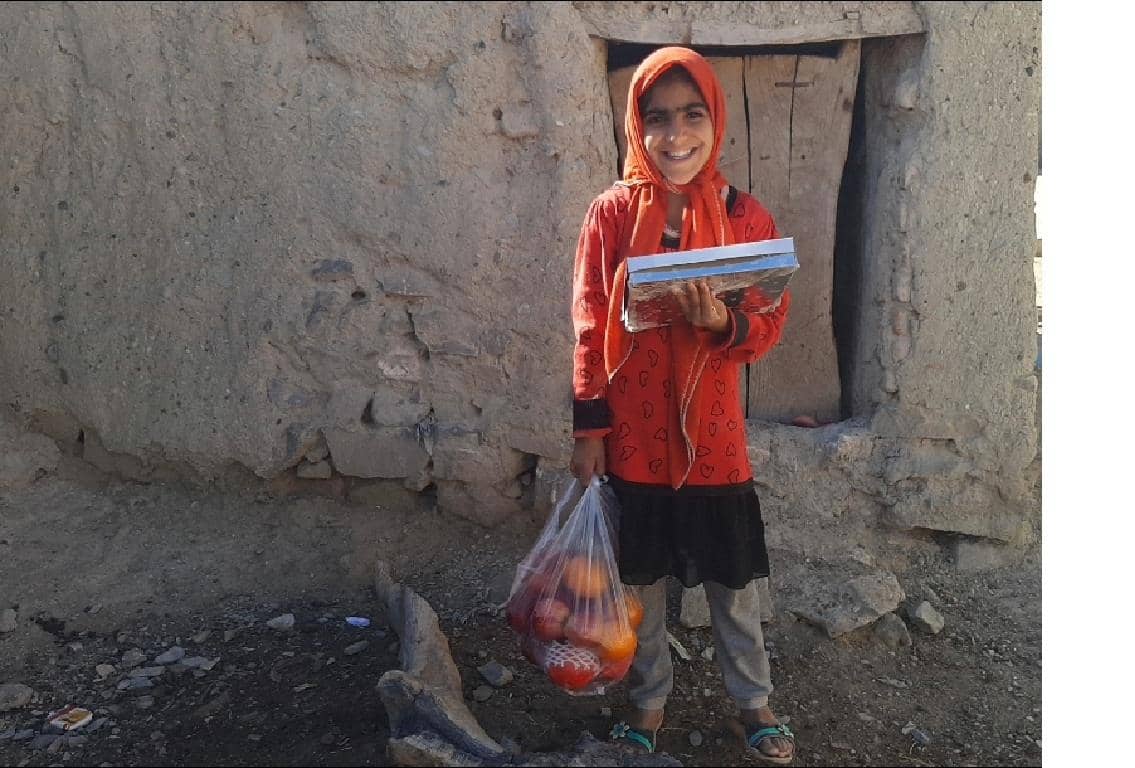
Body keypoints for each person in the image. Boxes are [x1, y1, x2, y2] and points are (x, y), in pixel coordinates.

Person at [568, 46, 795, 765]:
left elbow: (765, 323)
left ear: (713, 120)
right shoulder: (609, 215)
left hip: (714, 434)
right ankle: (648, 702)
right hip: (632, 433)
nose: (675, 136)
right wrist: (589, 426)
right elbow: (587, 320)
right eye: (656, 117)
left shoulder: (742, 216)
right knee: (640, 583)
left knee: (730, 581)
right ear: (637, 126)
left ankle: (752, 701)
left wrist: (718, 323)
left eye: (691, 114)